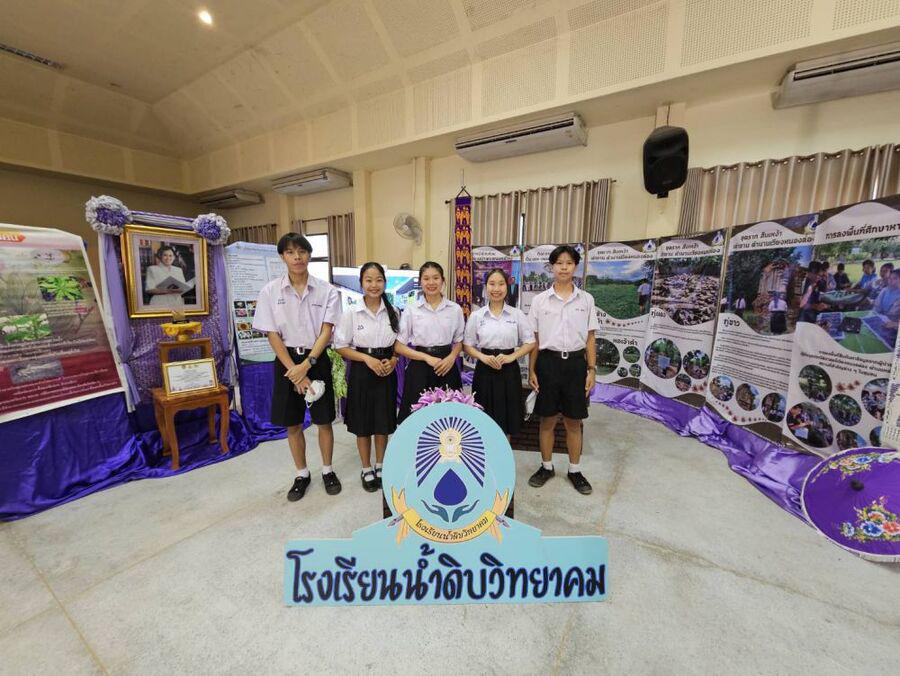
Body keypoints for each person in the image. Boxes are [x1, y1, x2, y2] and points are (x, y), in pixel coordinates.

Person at [252, 233, 342, 501]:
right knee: (292, 423)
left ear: (309, 255)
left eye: (302, 251)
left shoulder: (327, 290)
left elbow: (327, 331)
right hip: (286, 361)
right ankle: (302, 474)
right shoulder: (270, 291)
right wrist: (295, 371)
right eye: (290, 252)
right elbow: (272, 334)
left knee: (324, 421)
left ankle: (327, 470)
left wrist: (307, 364)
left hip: (316, 358)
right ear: (282, 256)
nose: (297, 257)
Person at [527, 244, 600, 495]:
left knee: (573, 421)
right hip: (547, 363)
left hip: (576, 366)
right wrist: (532, 370)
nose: (564, 267)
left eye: (569, 263)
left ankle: (574, 470)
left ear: (575, 267)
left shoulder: (586, 300)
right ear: (552, 267)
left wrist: (591, 369)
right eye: (559, 263)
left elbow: (590, 338)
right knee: (547, 420)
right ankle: (546, 467)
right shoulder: (539, 301)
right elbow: (534, 340)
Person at [334, 262, 400, 492]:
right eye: (369, 280)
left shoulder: (394, 311)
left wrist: (394, 360)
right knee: (363, 423)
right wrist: (367, 359)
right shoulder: (351, 313)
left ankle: (380, 465)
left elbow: (398, 345)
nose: (374, 285)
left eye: (379, 280)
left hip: (386, 370)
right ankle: (366, 468)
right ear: (361, 283)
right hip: (362, 371)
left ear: (385, 283)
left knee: (383, 422)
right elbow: (340, 346)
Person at [463, 268, 536, 438]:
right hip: (484, 370)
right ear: (485, 287)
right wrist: (482, 357)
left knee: (508, 418)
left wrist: (511, 357)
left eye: (501, 284)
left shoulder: (517, 314)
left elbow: (530, 342)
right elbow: (467, 345)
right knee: (483, 417)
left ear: (507, 287)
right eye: (492, 284)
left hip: (509, 370)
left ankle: (504, 453)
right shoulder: (477, 315)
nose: (496, 289)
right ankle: (486, 453)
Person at [394, 261, 465, 422]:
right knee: (416, 419)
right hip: (420, 367)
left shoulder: (454, 309)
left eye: (435, 278)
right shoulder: (412, 309)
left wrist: (451, 357)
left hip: (447, 366)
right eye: (426, 278)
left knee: (449, 420)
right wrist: (426, 358)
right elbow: (399, 346)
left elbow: (459, 341)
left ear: (443, 280)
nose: (431, 282)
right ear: (420, 282)